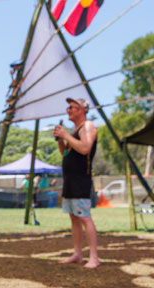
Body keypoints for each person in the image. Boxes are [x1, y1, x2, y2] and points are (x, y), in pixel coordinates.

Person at [53, 97, 100, 269]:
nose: (69, 110)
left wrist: (65, 135)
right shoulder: (75, 131)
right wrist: (61, 139)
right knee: (74, 217)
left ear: (82, 109)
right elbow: (66, 153)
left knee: (84, 217)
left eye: (72, 107)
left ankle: (94, 257)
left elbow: (85, 148)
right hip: (70, 180)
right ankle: (78, 254)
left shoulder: (87, 126)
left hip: (81, 179)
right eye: (68, 107)